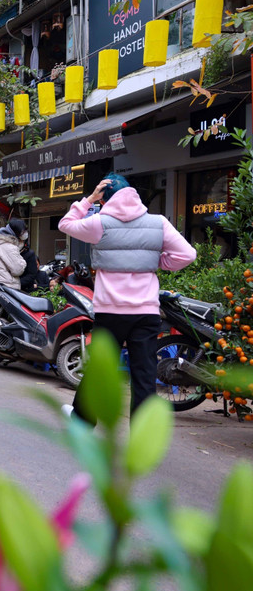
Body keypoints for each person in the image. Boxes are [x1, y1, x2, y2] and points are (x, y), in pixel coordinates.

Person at [58, 173, 196, 423]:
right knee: (143, 376)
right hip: (145, 313)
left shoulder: (100, 223)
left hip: (110, 312)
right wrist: (158, 261)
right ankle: (140, 440)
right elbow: (187, 255)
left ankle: (82, 421)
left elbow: (65, 224)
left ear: (106, 198)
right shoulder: (158, 223)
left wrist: (88, 199)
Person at [0, 218, 28, 294]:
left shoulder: (3, 244)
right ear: (16, 232)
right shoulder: (8, 247)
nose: (25, 233)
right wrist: (23, 262)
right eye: (23, 231)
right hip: (5, 289)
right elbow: (18, 270)